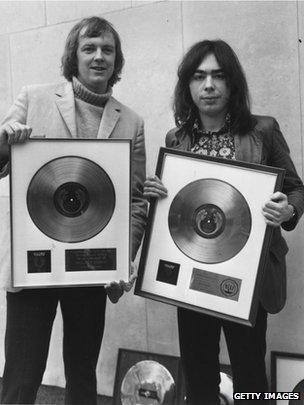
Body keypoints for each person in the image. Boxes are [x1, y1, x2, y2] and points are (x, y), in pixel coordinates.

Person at [143, 40, 304, 404]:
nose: (209, 85)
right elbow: (178, 209)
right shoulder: (176, 138)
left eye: (218, 76)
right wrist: (157, 193)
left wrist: (288, 210)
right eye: (199, 77)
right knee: (198, 372)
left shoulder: (263, 130)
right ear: (188, 85)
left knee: (249, 372)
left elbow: (296, 189)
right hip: (192, 274)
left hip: (247, 277)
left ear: (233, 83)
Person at [0, 16, 146, 405]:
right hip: (34, 265)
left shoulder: (131, 121)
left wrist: (122, 259)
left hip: (91, 265)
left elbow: (135, 201)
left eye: (108, 50)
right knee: (21, 375)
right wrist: (5, 142)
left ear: (117, 60)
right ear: (74, 55)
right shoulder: (34, 98)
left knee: (83, 375)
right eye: (89, 48)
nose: (99, 57)